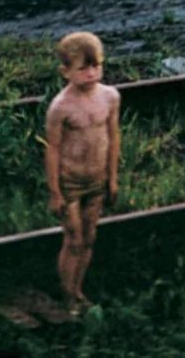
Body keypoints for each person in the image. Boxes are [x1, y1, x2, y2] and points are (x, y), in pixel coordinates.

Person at [45, 31, 121, 314]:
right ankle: (66, 295)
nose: (91, 73)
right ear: (65, 72)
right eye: (83, 68)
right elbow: (52, 150)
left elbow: (114, 138)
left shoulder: (110, 97)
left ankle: (78, 290)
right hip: (71, 182)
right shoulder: (60, 107)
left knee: (89, 237)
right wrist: (55, 192)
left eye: (96, 66)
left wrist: (112, 178)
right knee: (73, 238)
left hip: (97, 179)